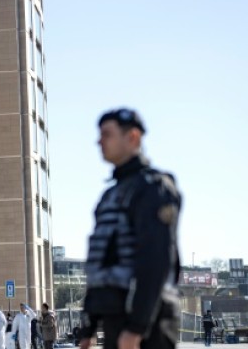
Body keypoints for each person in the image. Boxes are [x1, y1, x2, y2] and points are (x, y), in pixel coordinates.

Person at [78, 108, 182, 349]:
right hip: (117, 316)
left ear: (132, 137)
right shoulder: (111, 195)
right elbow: (101, 261)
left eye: (107, 134)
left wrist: (137, 327)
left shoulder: (153, 188)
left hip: (149, 321)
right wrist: (89, 326)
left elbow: (156, 259)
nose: (99, 141)